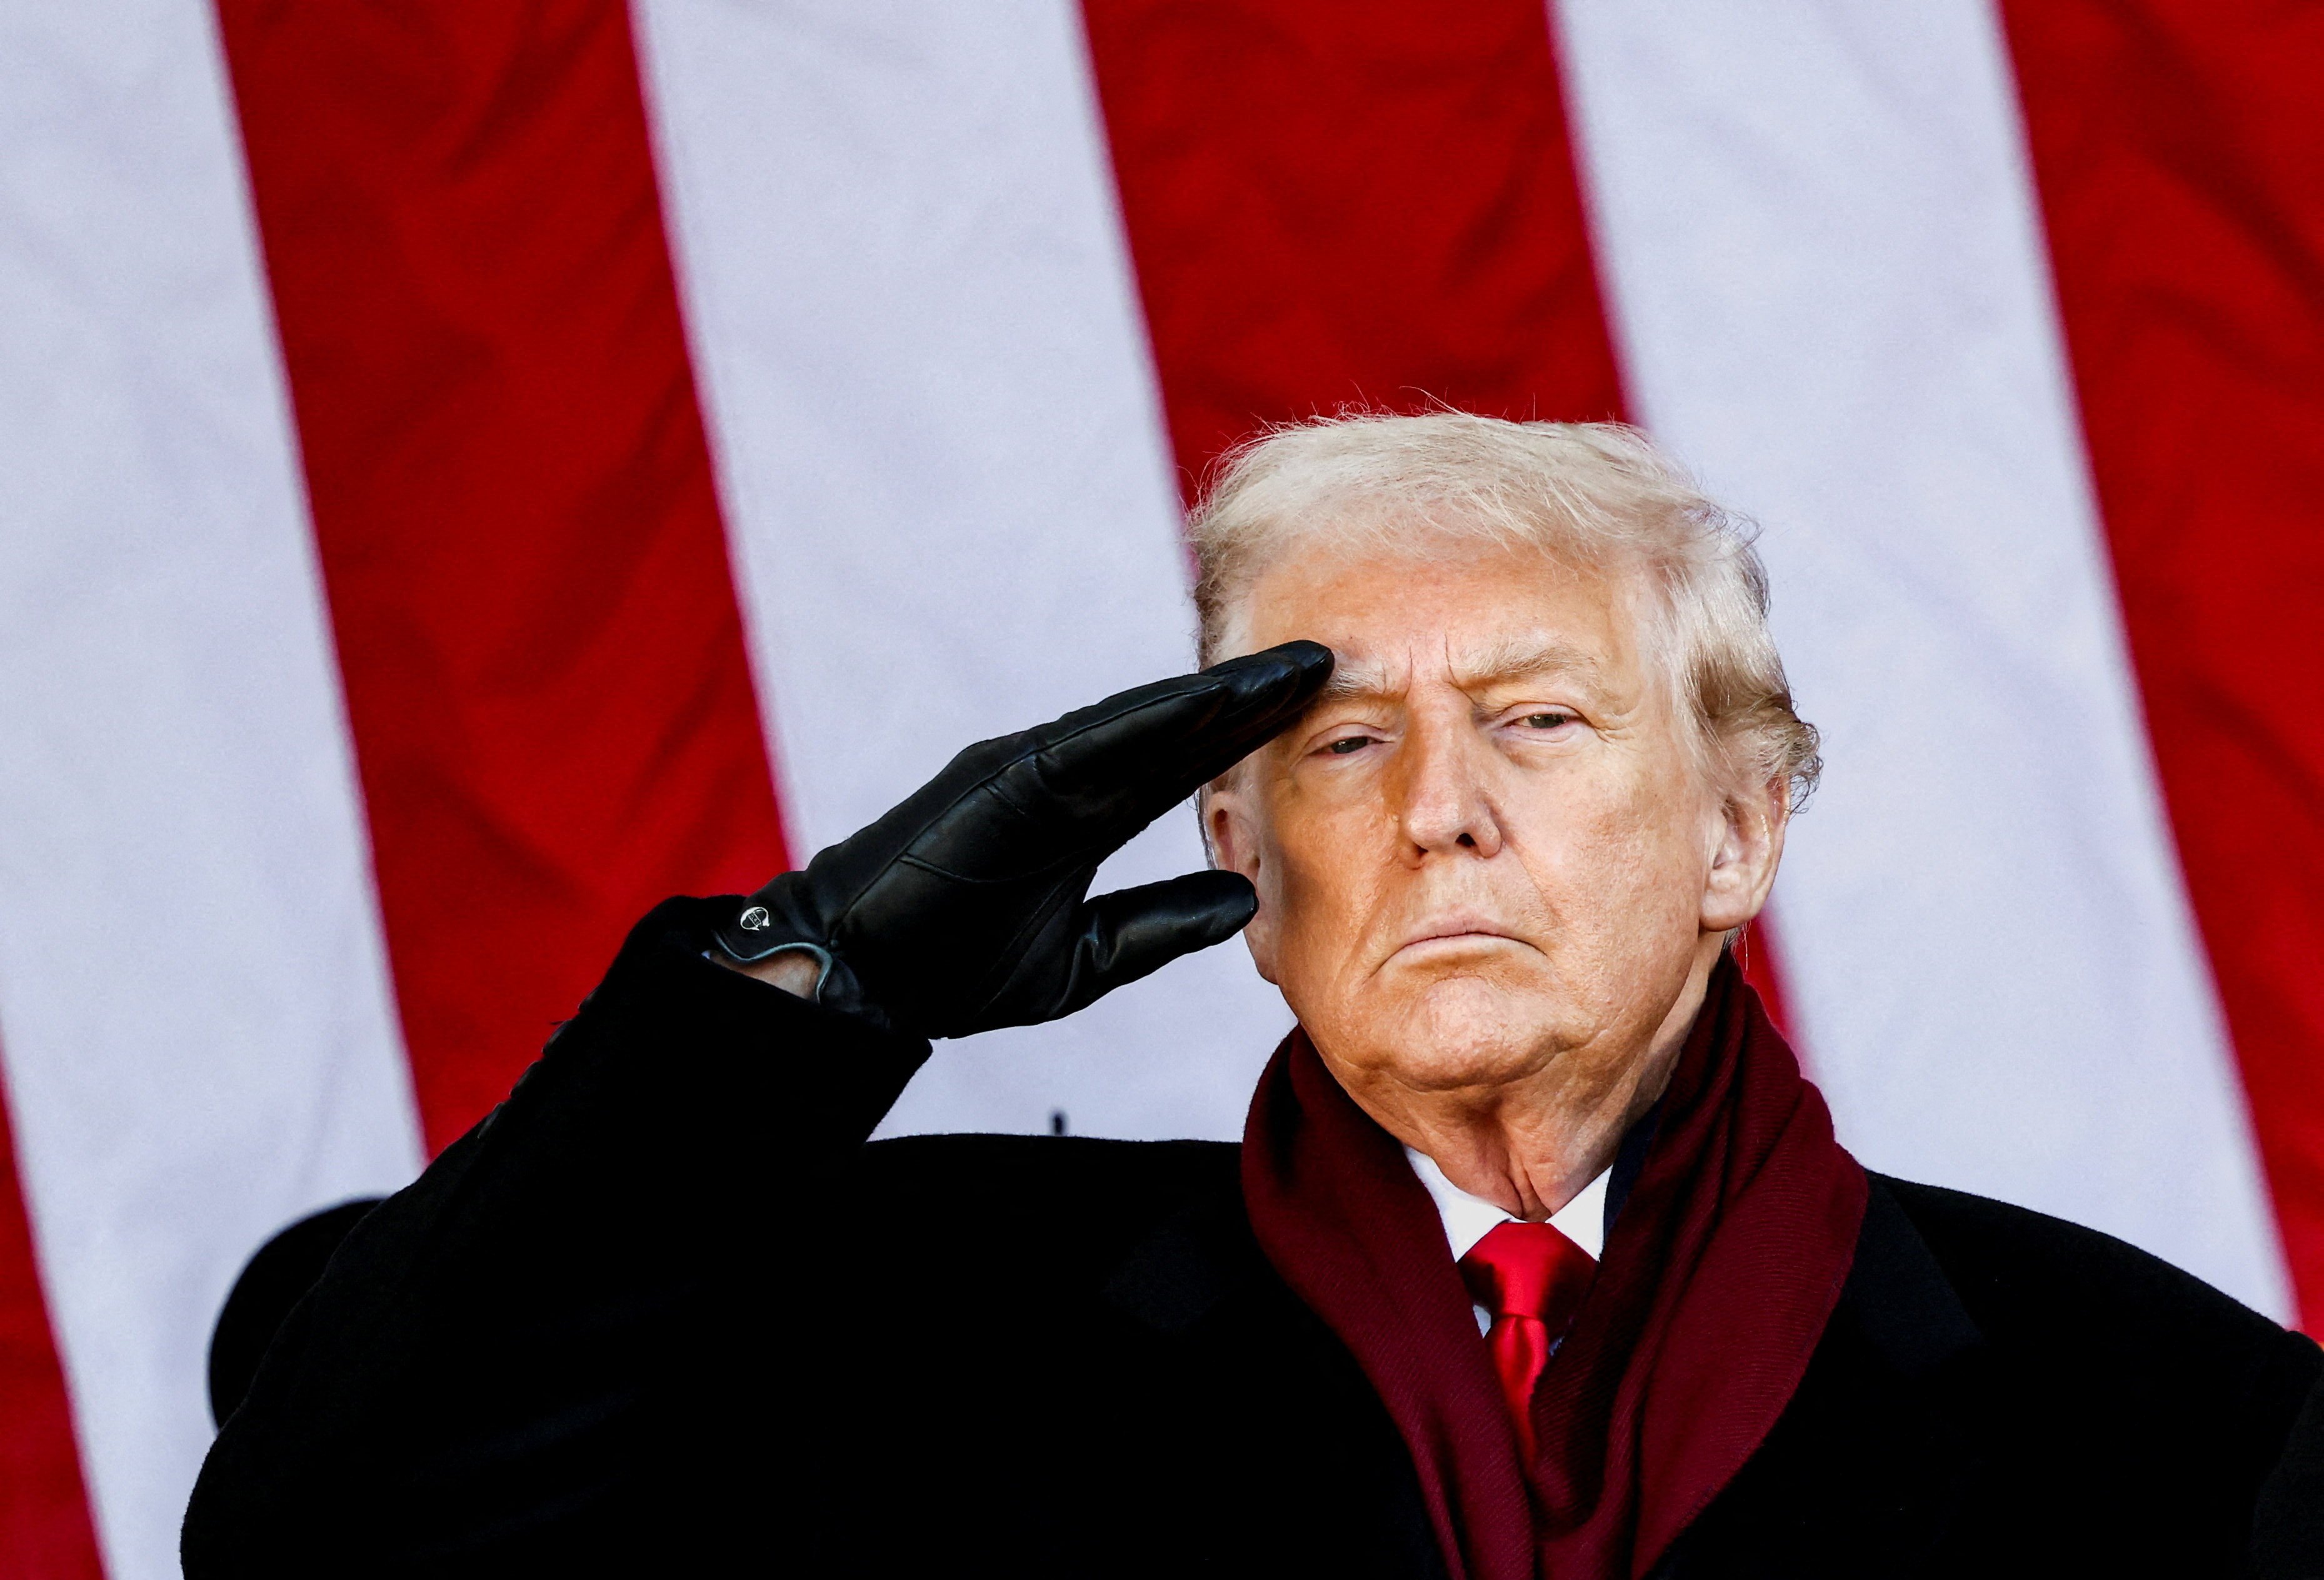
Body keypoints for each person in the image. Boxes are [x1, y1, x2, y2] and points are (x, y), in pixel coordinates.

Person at [185, 414, 2322, 1578]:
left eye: (1542, 721)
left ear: (1740, 839)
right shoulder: (899, 1322)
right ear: (1239, 859)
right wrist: (807, 989)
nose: (1442, 815)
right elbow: (327, 1536)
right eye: (1341, 742)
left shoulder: (2163, 1416)